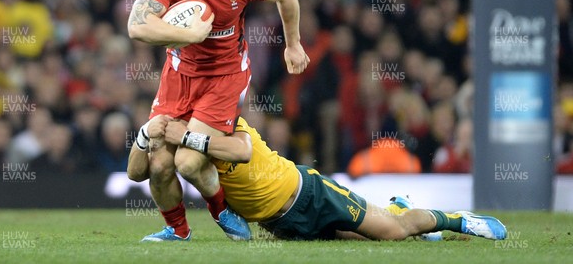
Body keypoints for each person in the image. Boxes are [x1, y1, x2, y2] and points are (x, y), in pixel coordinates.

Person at [127, 0, 309, 241]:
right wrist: (186, 34)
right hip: (179, 75)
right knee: (158, 164)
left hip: (223, 77)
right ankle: (177, 230)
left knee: (188, 160)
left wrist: (293, 44)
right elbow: (137, 26)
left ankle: (222, 210)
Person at [127, 115, 507, 242]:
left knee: (394, 231)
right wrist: (146, 133)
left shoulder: (225, 123)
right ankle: (398, 208)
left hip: (308, 194)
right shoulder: (176, 141)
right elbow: (137, 171)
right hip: (280, 224)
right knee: (363, 239)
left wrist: (188, 136)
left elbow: (241, 150)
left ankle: (459, 220)